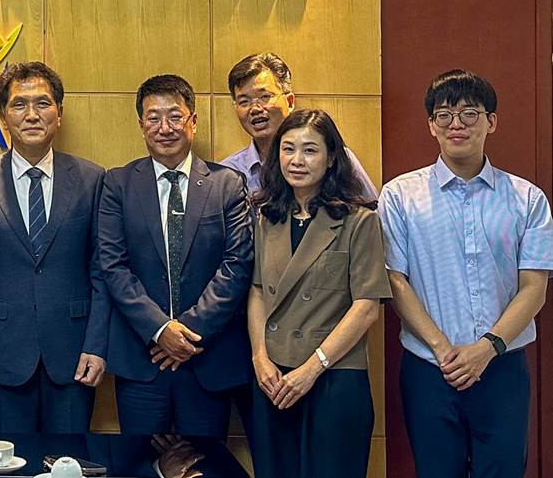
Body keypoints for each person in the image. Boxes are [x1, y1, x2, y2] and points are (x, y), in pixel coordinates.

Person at [379, 70, 552, 477]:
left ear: (491, 121)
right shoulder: (400, 196)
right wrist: (443, 350)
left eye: (469, 113)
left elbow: (534, 288)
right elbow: (395, 281)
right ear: (431, 125)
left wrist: (486, 348)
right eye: (444, 114)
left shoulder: (527, 199)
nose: (456, 124)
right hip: (429, 367)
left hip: (503, 366)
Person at [98, 74, 253, 437]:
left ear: (193, 122)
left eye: (175, 117)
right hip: (142, 359)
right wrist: (160, 329)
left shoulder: (227, 184)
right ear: (141, 126)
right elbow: (113, 265)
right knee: (139, 459)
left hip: (207, 357)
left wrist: (188, 333)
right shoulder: (118, 184)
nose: (164, 128)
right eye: (153, 118)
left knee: (205, 460)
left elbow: (237, 264)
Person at [0, 61, 109, 433]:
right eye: (19, 105)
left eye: (42, 103)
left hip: (74, 353)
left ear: (59, 113)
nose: (31, 115)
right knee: (10, 461)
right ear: (2, 117)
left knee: (70, 459)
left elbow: (102, 271)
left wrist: (97, 344)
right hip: (2, 352)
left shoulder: (92, 178)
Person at [246, 108, 391, 478]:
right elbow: (258, 292)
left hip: (333, 377)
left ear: (330, 159)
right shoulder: (268, 217)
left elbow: (366, 308)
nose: (297, 160)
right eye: (288, 149)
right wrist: (260, 358)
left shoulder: (360, 220)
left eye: (310, 150)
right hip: (274, 380)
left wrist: (311, 369)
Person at [220, 52, 377, 200]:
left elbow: (371, 213)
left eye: (265, 97)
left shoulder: (335, 159)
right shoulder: (228, 173)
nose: (255, 109)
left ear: (289, 102)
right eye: (244, 101)